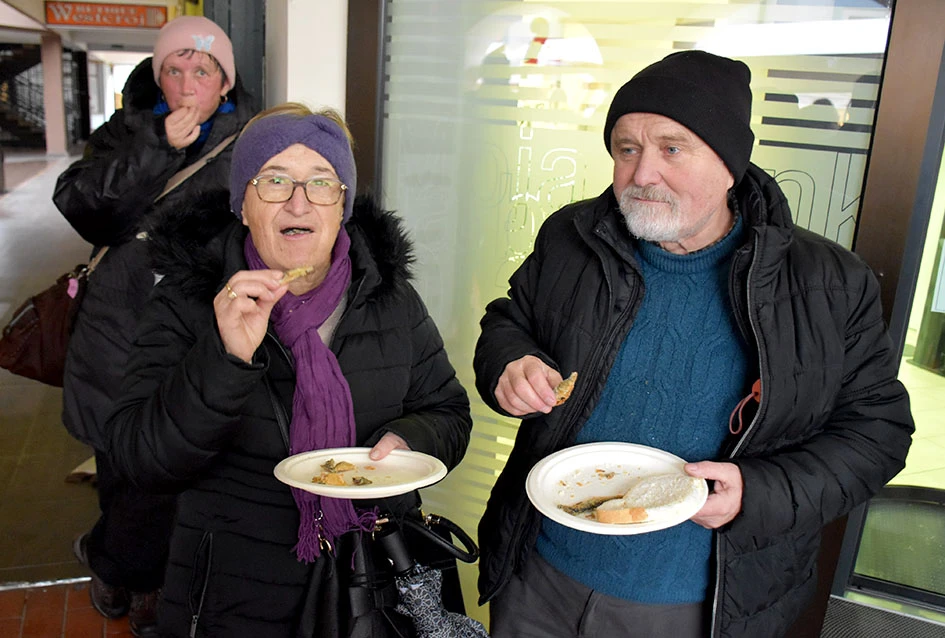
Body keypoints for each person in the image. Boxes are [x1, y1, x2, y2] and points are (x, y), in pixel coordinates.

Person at [472, 50, 914, 638]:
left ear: (730, 165)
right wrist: (509, 363)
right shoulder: (572, 237)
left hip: (696, 604)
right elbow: (508, 321)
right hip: (539, 575)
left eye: (672, 149)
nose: (643, 172)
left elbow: (877, 432)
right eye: (626, 149)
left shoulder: (826, 282)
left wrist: (755, 494)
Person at [103, 103, 473, 637]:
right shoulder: (187, 301)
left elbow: (448, 412)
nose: (299, 200)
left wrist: (410, 437)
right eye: (274, 180)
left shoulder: (390, 300)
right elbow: (140, 459)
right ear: (243, 204)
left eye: (322, 182)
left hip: (370, 582)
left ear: (341, 205)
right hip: (235, 589)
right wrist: (226, 359)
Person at [52, 16, 256, 635]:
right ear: (159, 78)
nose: (188, 81)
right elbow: (83, 207)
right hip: (115, 332)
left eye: (203, 70)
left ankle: (149, 580)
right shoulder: (128, 131)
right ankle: (120, 566)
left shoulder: (251, 142)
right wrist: (157, 148)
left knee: (179, 469)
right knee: (122, 467)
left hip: (194, 334)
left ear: (224, 83)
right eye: (175, 69)